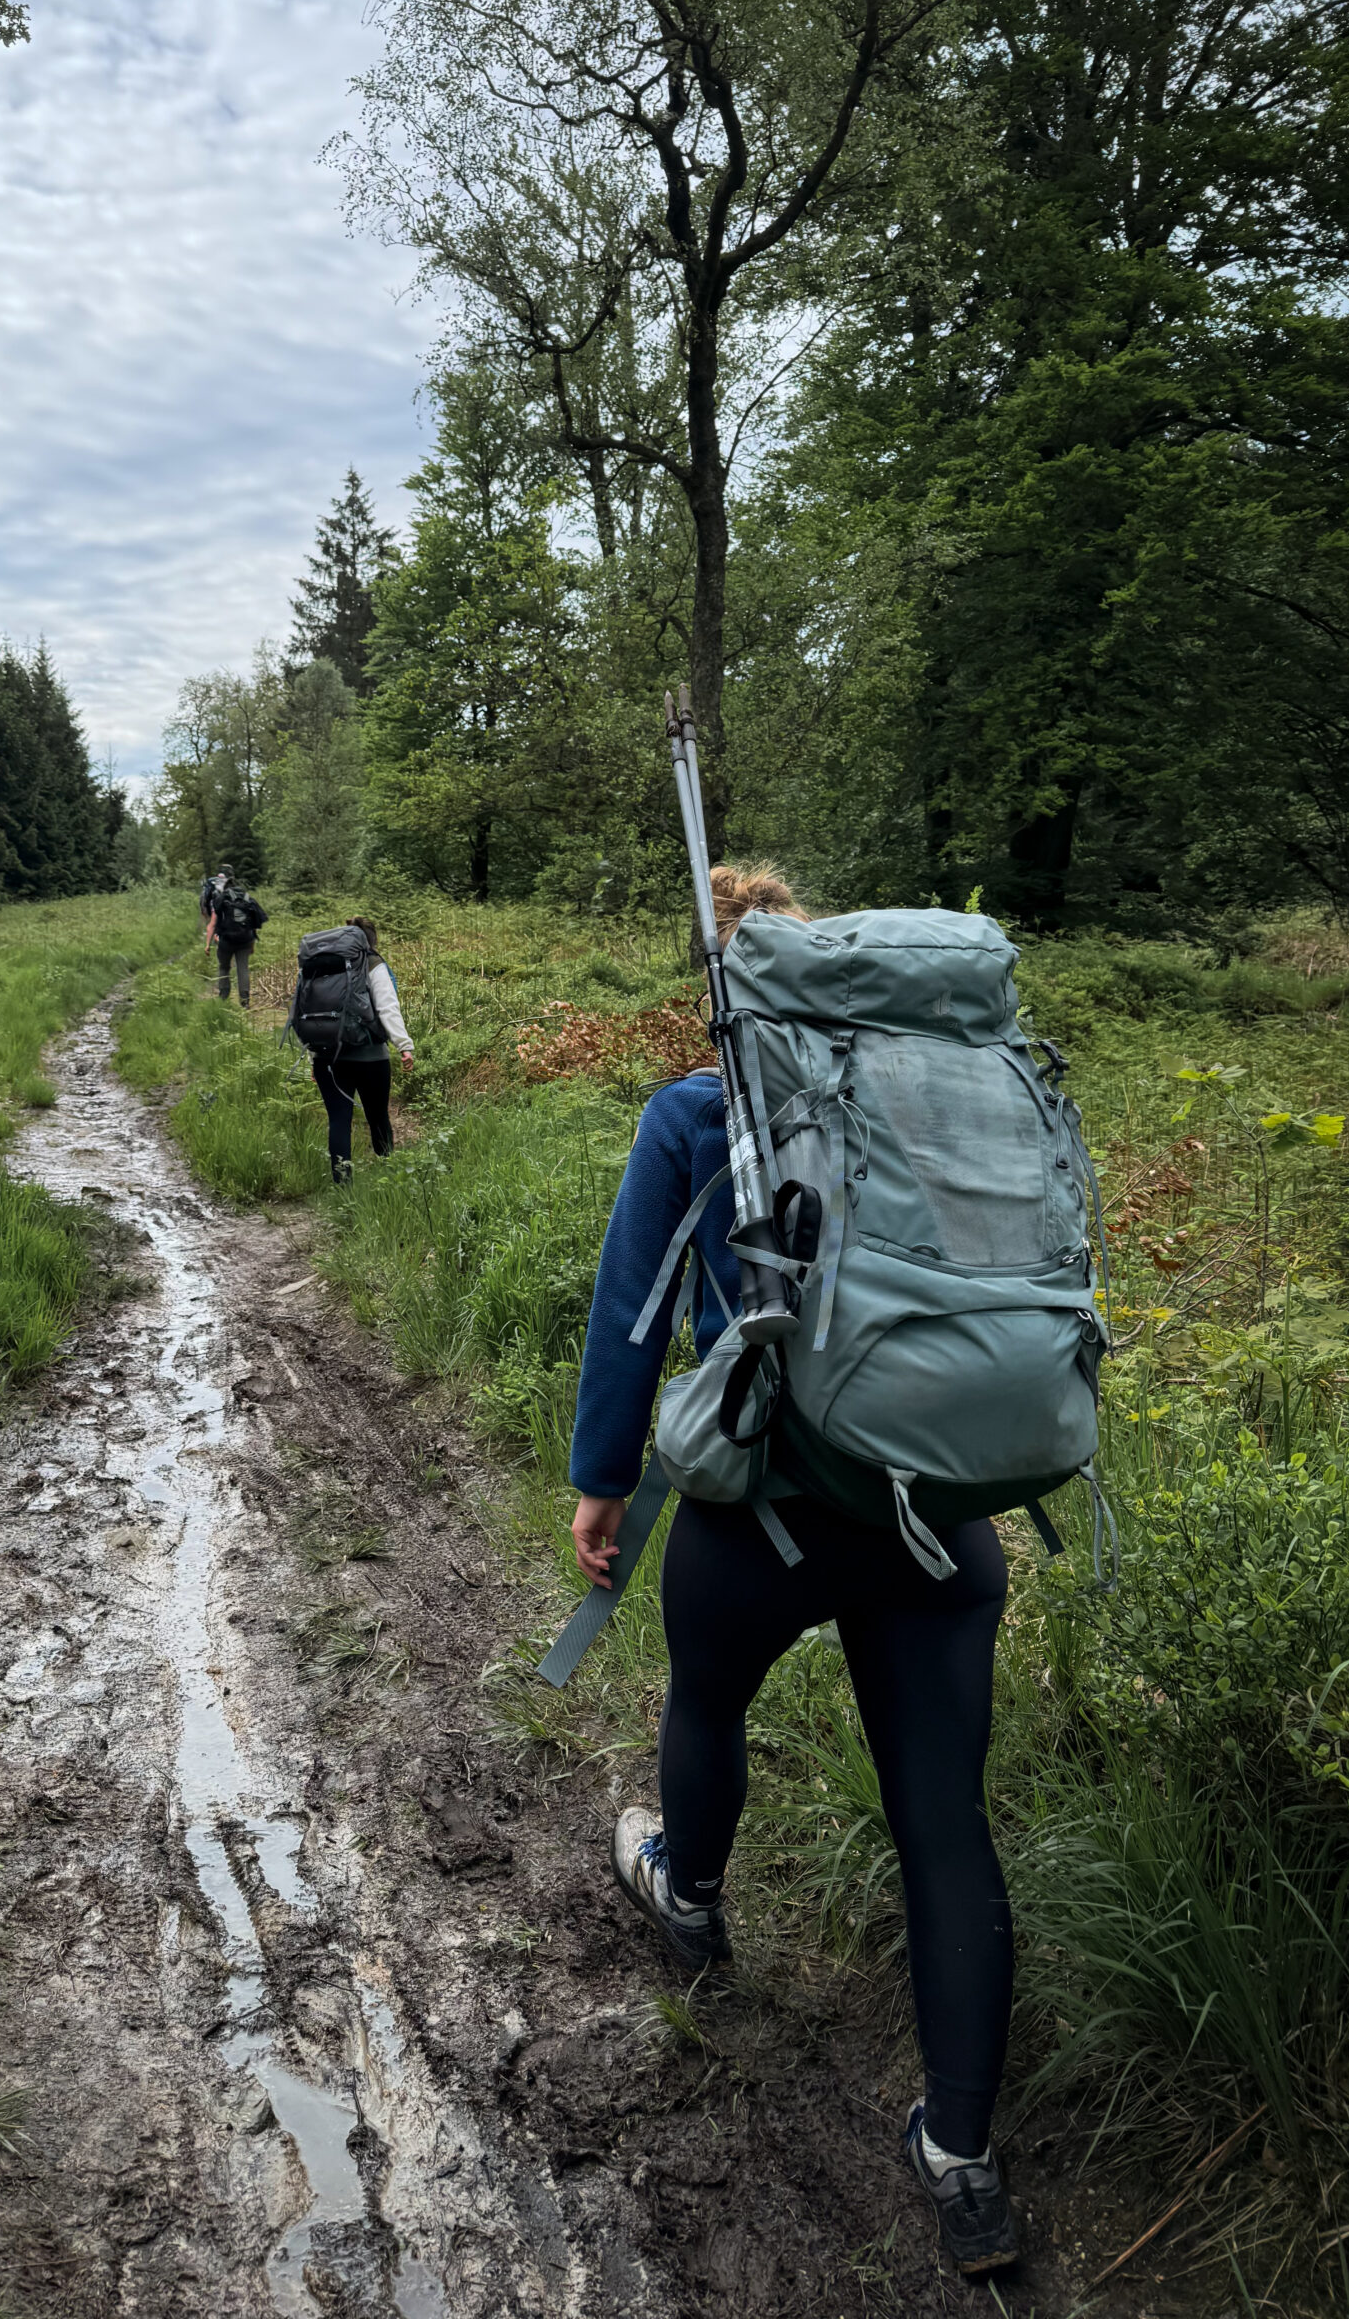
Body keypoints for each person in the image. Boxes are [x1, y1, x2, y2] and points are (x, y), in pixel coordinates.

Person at [566, 863, 1022, 2277]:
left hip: (762, 1516)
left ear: (723, 994)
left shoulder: (699, 1115)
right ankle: (962, 2160)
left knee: (705, 1699)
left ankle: (690, 1905)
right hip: (935, 1517)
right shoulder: (945, 1108)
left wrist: (604, 1479)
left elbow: (632, 1317)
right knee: (945, 1820)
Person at [308, 916, 412, 1184]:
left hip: (327, 1057)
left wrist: (313, 1056)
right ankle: (389, 1173)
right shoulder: (373, 964)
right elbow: (387, 1008)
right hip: (371, 1058)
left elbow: (311, 1014)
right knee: (377, 1115)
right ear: (371, 940)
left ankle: (343, 1186)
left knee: (339, 1120)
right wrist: (404, 1045)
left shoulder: (323, 966)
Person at [205, 872, 267, 1006]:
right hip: (246, 939)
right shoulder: (248, 899)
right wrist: (252, 944)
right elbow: (254, 923)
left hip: (226, 940)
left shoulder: (221, 899)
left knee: (224, 967)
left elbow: (213, 922)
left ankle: (223, 998)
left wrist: (208, 943)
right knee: (243, 969)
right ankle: (245, 1001)